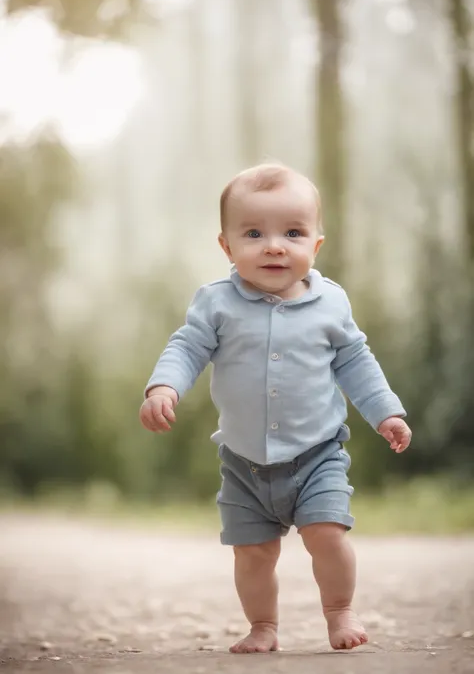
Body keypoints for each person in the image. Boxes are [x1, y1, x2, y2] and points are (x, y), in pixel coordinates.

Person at [139, 163, 412, 654]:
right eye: (253, 233)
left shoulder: (331, 304)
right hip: (244, 463)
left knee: (326, 535)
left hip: (317, 454)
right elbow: (187, 348)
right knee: (253, 554)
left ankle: (339, 610)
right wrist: (164, 388)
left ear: (316, 244)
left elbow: (356, 362)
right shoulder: (216, 304)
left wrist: (385, 412)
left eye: (292, 232)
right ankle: (263, 626)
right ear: (226, 246)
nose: (274, 245)